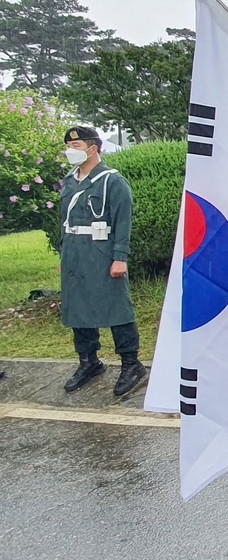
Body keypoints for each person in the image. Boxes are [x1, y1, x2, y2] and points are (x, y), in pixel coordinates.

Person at [57, 127, 147, 397]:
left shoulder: (111, 181)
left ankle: (131, 364)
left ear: (93, 148)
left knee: (116, 307)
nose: (70, 149)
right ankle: (89, 361)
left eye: (76, 144)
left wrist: (120, 257)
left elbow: (122, 221)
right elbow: (65, 222)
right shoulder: (69, 181)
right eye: (69, 144)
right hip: (75, 251)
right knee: (78, 307)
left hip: (101, 251)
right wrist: (64, 254)